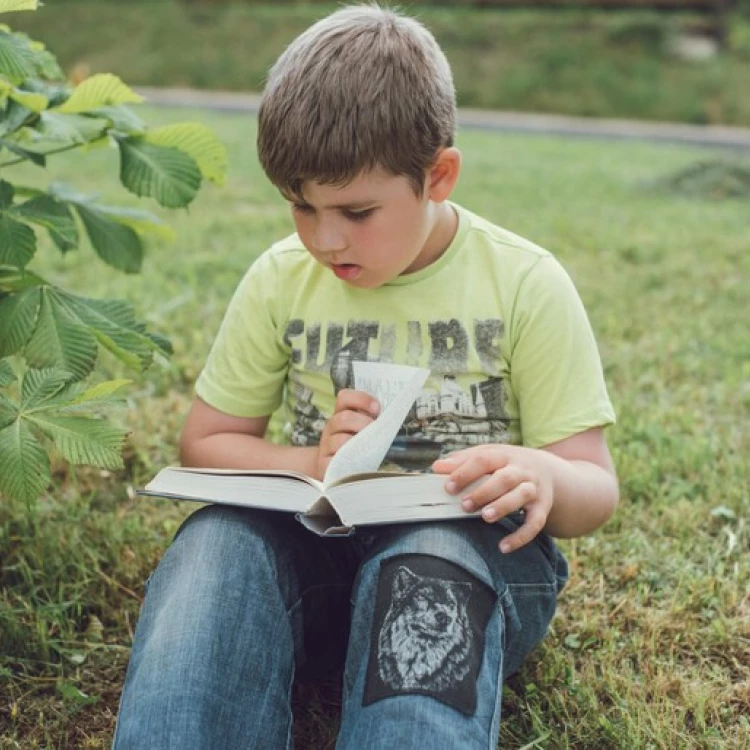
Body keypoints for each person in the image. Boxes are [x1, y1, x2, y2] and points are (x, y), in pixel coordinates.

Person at [113, 5, 619, 748]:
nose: (324, 238)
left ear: (437, 176)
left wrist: (541, 474)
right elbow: (208, 441)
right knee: (215, 543)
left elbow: (594, 488)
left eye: (355, 210)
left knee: (429, 560)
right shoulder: (280, 279)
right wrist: (306, 462)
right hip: (313, 559)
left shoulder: (525, 284)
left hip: (471, 561)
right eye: (300, 206)